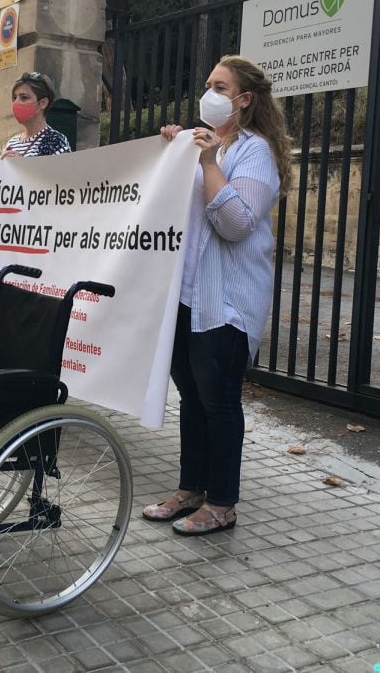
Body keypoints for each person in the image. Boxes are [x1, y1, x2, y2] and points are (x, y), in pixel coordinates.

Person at [143, 55, 290, 536]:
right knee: (190, 395)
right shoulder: (201, 145)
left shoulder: (254, 153)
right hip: (185, 297)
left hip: (225, 301)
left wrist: (206, 161)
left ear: (244, 100)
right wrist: (173, 154)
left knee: (219, 400)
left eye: (220, 86)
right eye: (207, 83)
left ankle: (223, 502)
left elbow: (235, 223)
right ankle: (192, 488)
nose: (209, 92)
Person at [3, 71, 71, 157]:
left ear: (42, 103)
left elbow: (64, 170)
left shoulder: (56, 141)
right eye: (14, 98)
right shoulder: (12, 143)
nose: (16, 102)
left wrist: (22, 165)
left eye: (24, 97)